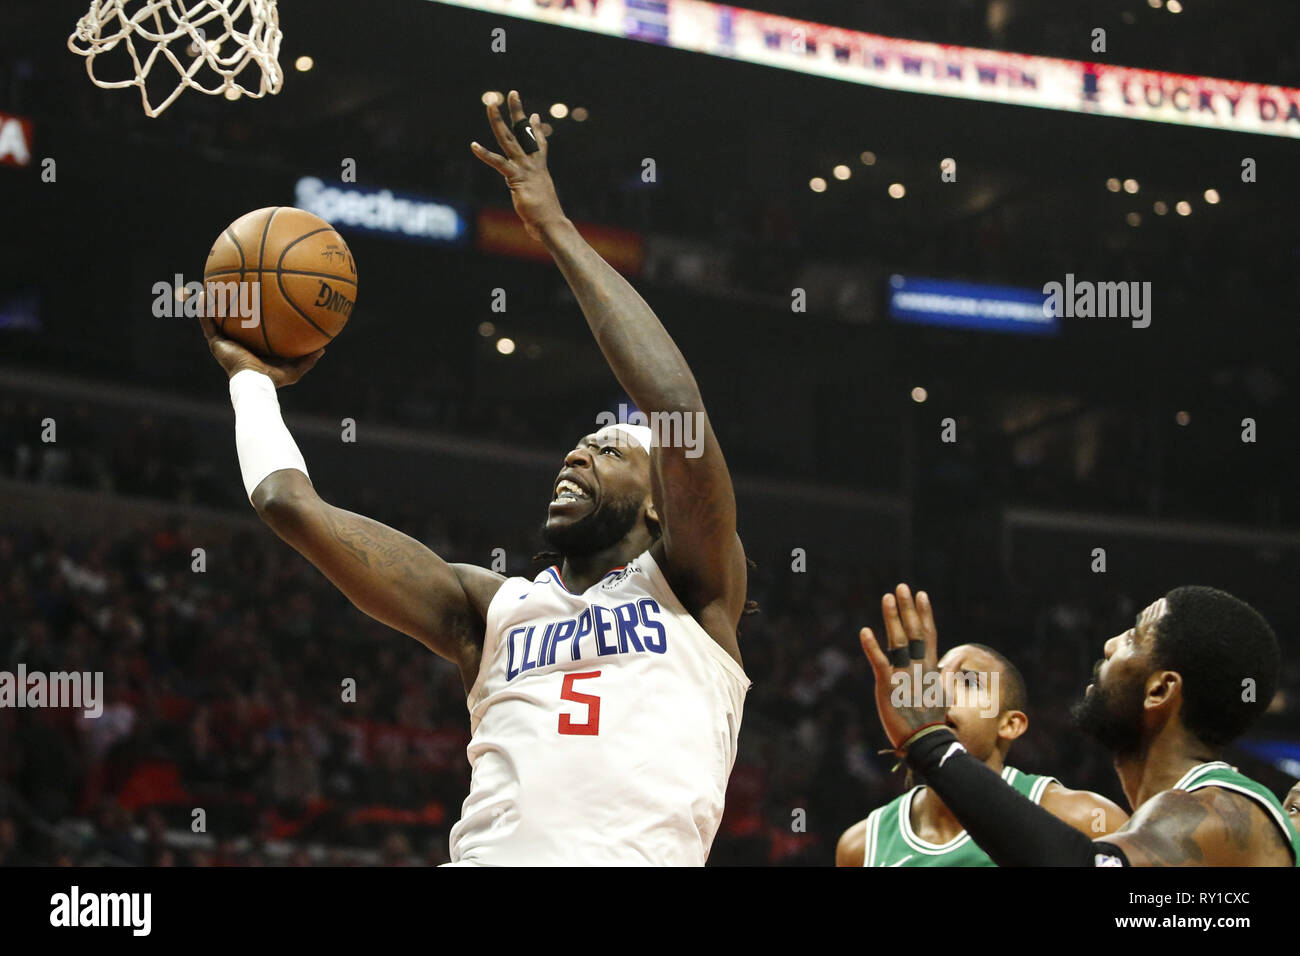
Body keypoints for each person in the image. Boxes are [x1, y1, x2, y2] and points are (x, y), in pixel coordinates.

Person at [198, 90, 750, 865]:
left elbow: (676, 406)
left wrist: (553, 229)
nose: (577, 454)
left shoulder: (699, 592)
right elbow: (290, 504)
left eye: (609, 449)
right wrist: (250, 380)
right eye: (579, 445)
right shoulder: (489, 611)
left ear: (662, 508)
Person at [859, 584, 1298, 866]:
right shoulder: (1160, 824)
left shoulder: (1219, 811)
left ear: (1160, 691)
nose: (1109, 645)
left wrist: (930, 744)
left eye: (1132, 638)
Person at [837, 642, 1126, 866]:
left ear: (1010, 724)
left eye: (968, 682)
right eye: (935, 679)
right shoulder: (861, 846)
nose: (940, 693)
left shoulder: (1085, 818)